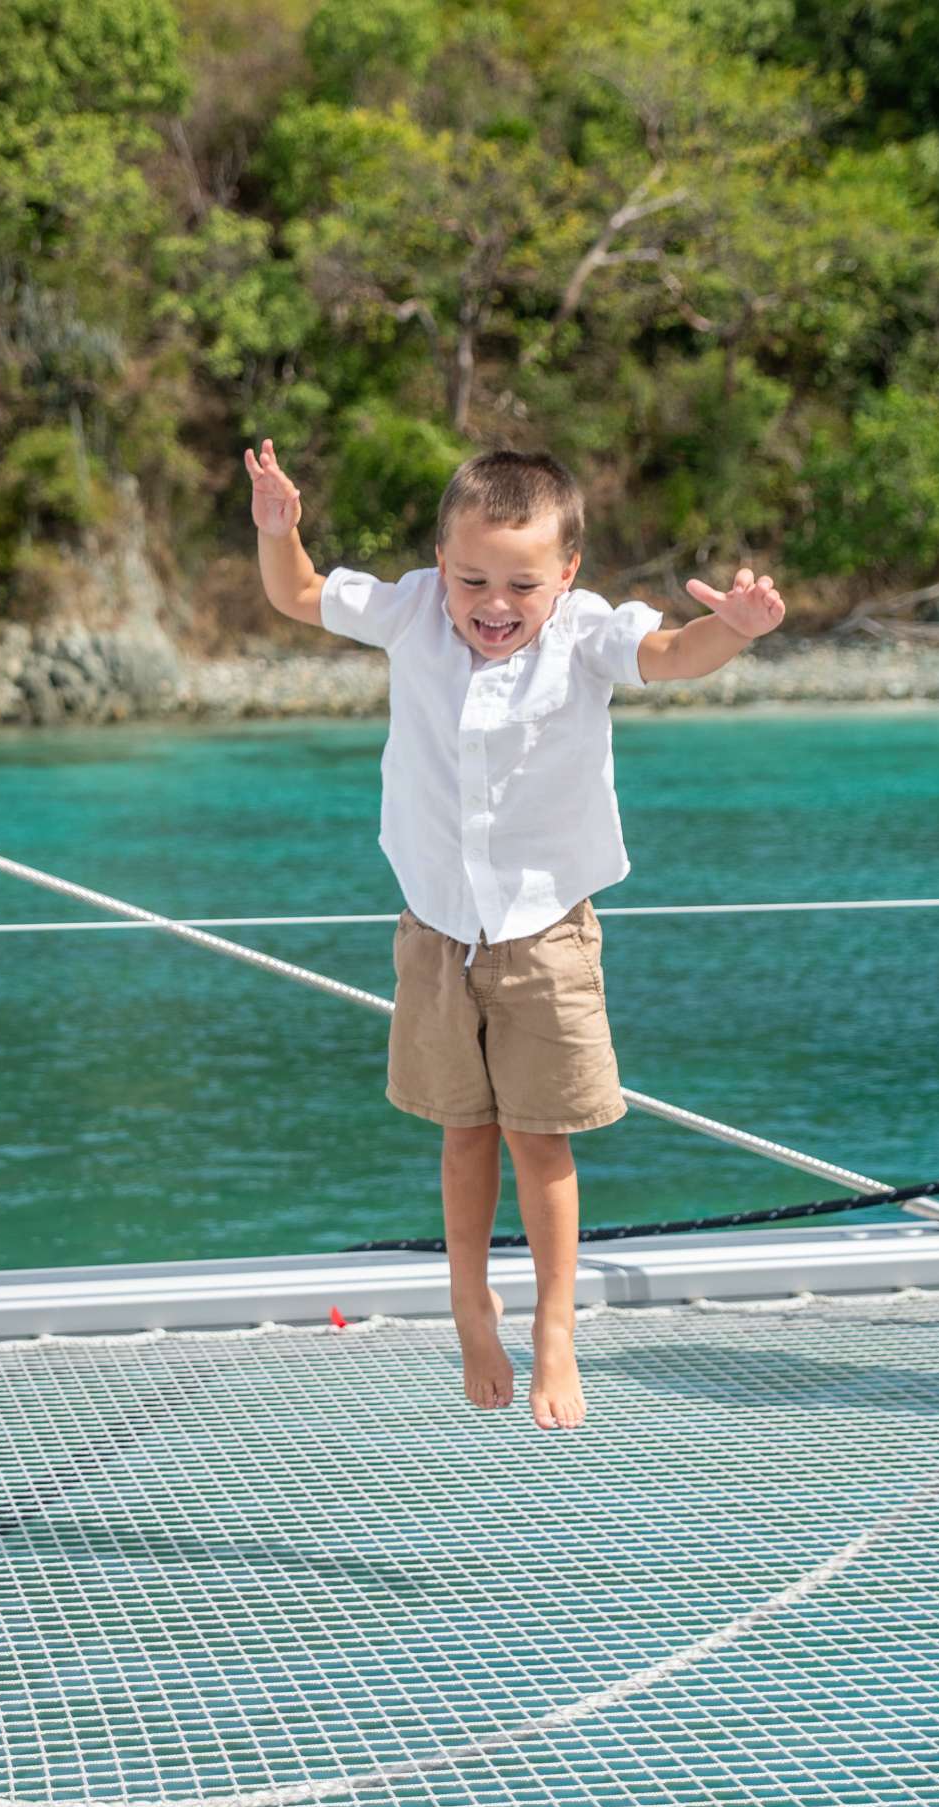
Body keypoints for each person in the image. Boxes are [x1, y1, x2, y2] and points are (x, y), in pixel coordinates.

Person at [242, 440, 785, 1429]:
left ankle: (555, 1328)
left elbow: (671, 655)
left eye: (522, 585)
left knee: (541, 1142)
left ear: (566, 572)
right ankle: (470, 1306)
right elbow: (299, 593)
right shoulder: (411, 610)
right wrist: (279, 531)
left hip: (546, 932)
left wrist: (735, 629)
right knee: (464, 1136)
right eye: (472, 580)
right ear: (438, 562)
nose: (494, 604)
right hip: (437, 930)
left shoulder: (588, 632)